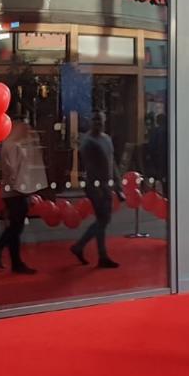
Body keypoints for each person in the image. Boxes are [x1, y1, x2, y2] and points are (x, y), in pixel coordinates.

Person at [0, 115, 46, 275]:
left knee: (15, 227)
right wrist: (22, 187)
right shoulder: (14, 144)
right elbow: (15, 170)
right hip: (16, 191)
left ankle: (3, 254)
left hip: (14, 190)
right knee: (16, 227)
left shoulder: (12, 142)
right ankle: (4, 255)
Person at [71, 111, 122, 268]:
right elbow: (90, 167)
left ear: (104, 120)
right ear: (90, 122)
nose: (97, 122)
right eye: (94, 120)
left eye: (99, 119)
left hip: (106, 185)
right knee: (103, 219)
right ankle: (89, 250)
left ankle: (94, 252)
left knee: (103, 220)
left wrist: (118, 184)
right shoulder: (88, 142)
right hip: (96, 186)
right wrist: (98, 187)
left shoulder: (106, 139)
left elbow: (112, 162)